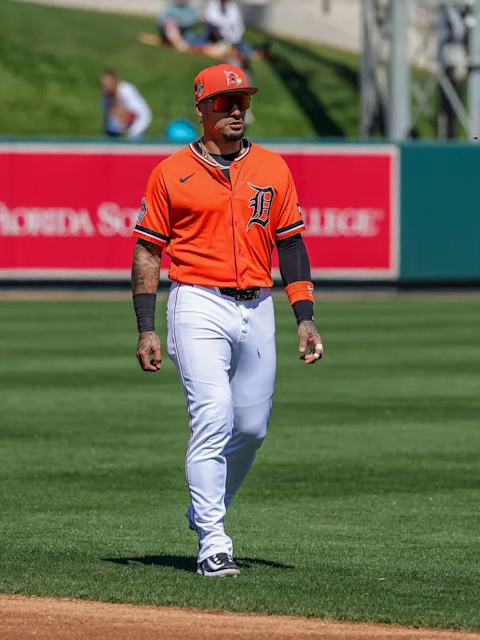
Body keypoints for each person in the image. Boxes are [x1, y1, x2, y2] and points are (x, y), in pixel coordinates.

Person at [130, 63, 324, 578]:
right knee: (213, 414)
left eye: (241, 100)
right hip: (198, 301)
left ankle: (204, 507)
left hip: (258, 304)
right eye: (224, 102)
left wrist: (304, 317)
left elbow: (292, 243)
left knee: (253, 427)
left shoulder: (273, 168)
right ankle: (214, 540)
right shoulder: (171, 171)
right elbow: (148, 251)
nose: (236, 110)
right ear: (202, 110)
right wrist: (146, 326)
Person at [100, 70, 152, 141]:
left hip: (140, 120)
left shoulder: (126, 90)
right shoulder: (106, 97)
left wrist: (122, 118)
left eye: (109, 85)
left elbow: (134, 113)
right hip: (124, 123)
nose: (106, 88)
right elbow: (108, 115)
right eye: (104, 85)